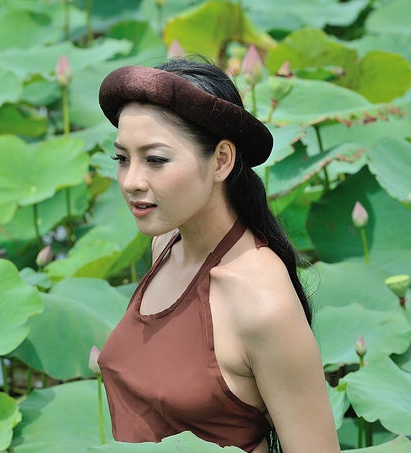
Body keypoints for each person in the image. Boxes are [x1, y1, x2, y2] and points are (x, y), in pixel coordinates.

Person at [96, 56, 340, 453]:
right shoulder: (165, 245)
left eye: (155, 160)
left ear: (222, 160)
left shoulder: (261, 300)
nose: (131, 181)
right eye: (122, 159)